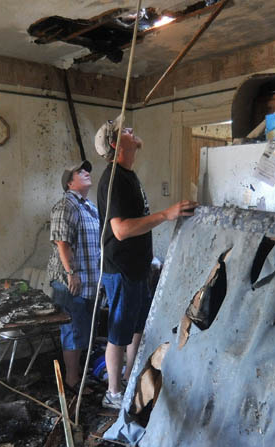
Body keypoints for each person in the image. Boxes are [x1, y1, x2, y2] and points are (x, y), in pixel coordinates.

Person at [94, 117, 198, 409]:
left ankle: (128, 378)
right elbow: (121, 230)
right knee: (118, 332)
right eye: (124, 131)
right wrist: (167, 215)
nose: (131, 131)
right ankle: (113, 393)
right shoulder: (113, 178)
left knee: (137, 327)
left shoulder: (129, 175)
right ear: (115, 145)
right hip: (122, 269)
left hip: (137, 266)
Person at [47, 159, 101, 393]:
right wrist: (72, 274)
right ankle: (71, 382)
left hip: (88, 279)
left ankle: (79, 376)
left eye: (87, 170)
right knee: (73, 330)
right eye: (80, 172)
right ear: (69, 182)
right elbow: (63, 244)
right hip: (70, 281)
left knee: (83, 330)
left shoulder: (88, 206)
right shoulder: (65, 206)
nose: (87, 173)